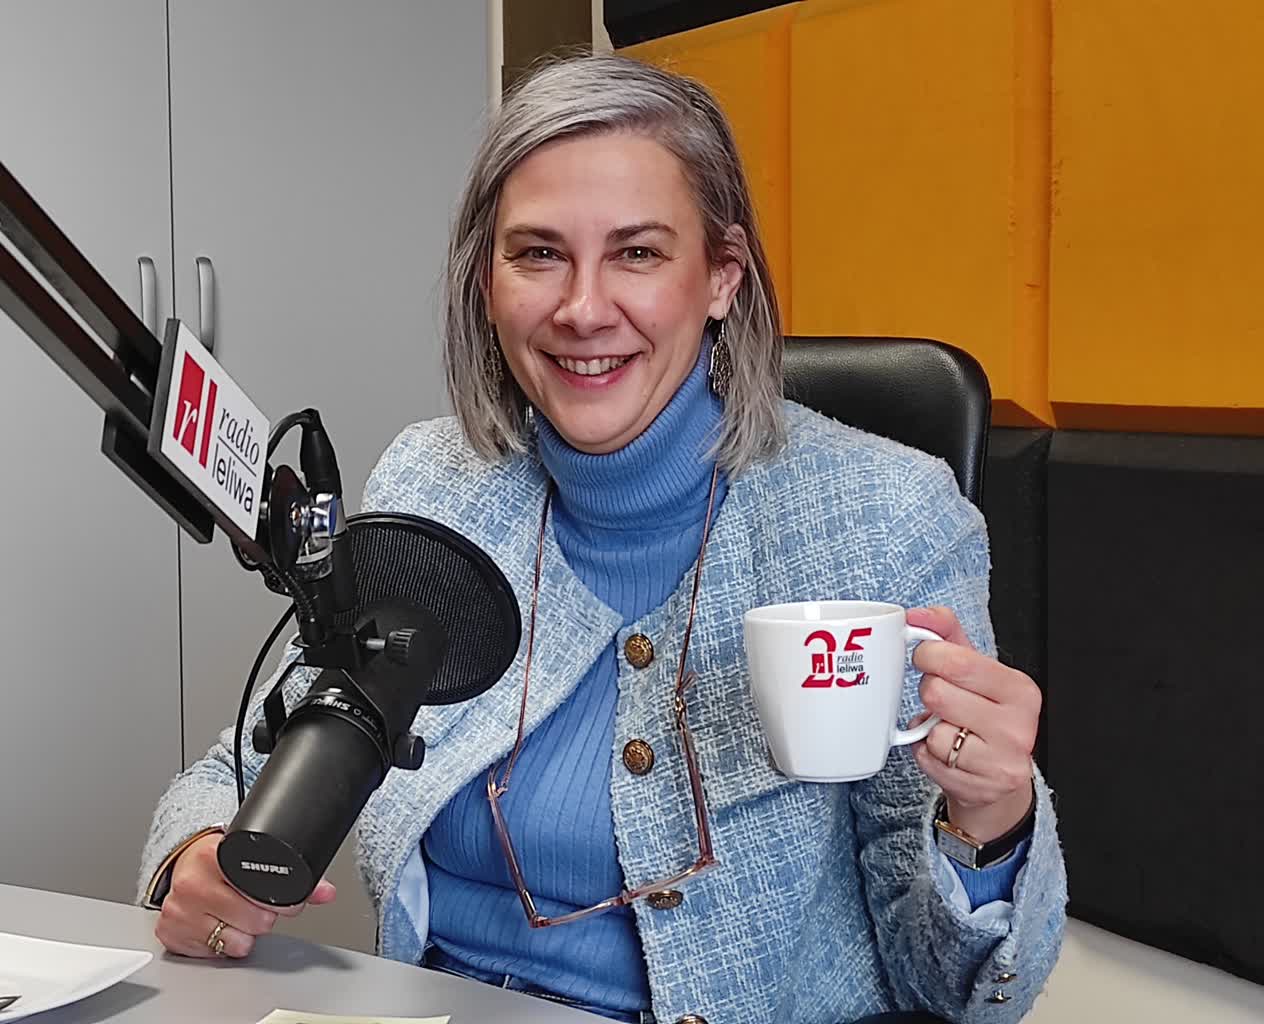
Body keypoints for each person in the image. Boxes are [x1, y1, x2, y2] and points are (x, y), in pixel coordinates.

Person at [139, 54, 1067, 1024]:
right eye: (538, 253)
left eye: (636, 253)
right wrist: (193, 856)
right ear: (486, 281)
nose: (582, 309)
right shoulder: (434, 481)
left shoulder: (883, 514)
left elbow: (958, 990)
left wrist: (989, 821)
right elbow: (249, 761)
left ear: (722, 277)